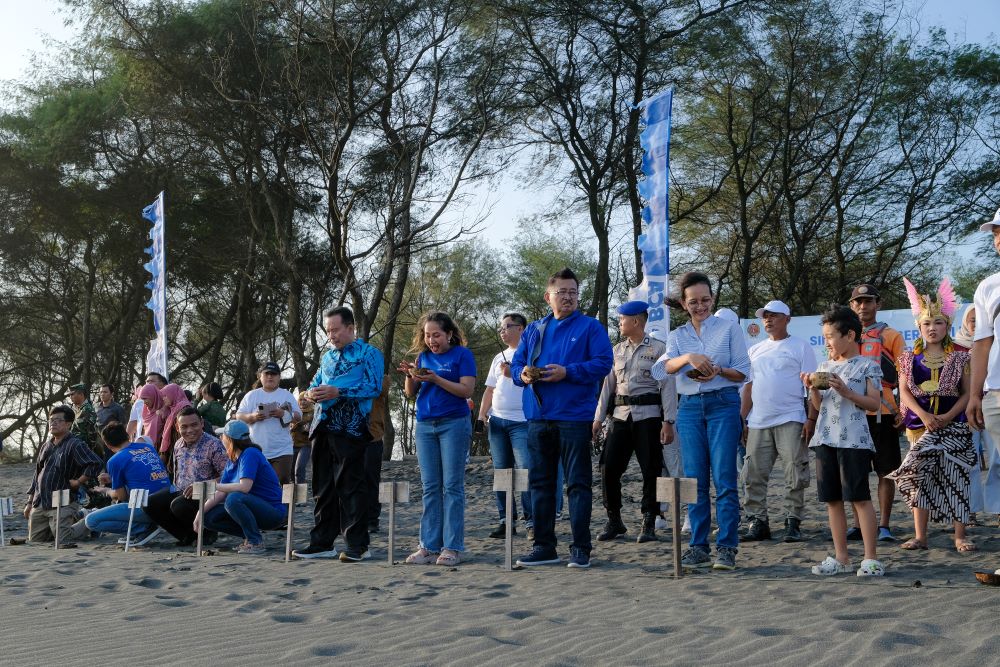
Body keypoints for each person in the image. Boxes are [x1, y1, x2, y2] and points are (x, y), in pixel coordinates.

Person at [511, 268, 613, 569]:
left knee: (577, 484)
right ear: (548, 296)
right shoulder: (533, 330)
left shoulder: (590, 328)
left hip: (574, 418)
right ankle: (544, 546)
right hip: (538, 418)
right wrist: (524, 374)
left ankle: (581, 548)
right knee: (540, 484)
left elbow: (603, 363)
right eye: (562, 292)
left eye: (573, 292)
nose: (568, 297)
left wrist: (568, 372)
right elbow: (517, 367)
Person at [652, 271, 750, 571]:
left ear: (713, 299)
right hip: (690, 408)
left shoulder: (729, 329)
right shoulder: (677, 336)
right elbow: (660, 370)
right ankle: (698, 546)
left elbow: (744, 372)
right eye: (693, 301)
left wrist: (717, 370)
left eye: (705, 299)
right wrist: (689, 358)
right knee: (693, 480)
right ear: (684, 303)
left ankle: (726, 548)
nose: (700, 306)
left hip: (723, 403)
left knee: (724, 479)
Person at [886, 278, 977, 552]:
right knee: (919, 478)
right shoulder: (907, 358)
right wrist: (925, 416)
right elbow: (904, 392)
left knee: (958, 478)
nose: (932, 328)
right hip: (919, 426)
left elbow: (966, 393)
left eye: (937, 323)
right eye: (927, 323)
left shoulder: (960, 358)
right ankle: (920, 536)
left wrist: (948, 416)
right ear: (919, 326)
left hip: (954, 426)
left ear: (947, 326)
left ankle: (959, 535)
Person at [293, 307, 384, 563]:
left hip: (352, 427)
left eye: (335, 329)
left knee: (351, 485)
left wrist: (338, 392)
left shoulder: (370, 353)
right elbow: (314, 383)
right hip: (321, 426)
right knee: (322, 486)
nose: (331, 335)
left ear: (350, 328)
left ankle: (358, 545)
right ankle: (322, 542)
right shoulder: (327, 357)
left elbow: (374, 387)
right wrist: (310, 394)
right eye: (328, 331)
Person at [803, 305, 885, 577]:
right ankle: (841, 557)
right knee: (832, 500)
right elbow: (817, 406)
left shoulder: (868, 365)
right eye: (825, 336)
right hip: (825, 438)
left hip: (855, 440)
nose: (826, 341)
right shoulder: (824, 366)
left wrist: (848, 392)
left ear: (850, 335)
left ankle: (871, 558)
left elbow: (874, 404)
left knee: (859, 498)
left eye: (830, 336)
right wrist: (812, 389)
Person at [594, 301, 676, 544]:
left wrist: (669, 420)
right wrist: (598, 418)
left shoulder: (660, 349)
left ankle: (649, 519)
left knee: (651, 469)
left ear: (636, 321)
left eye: (622, 319)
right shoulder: (616, 350)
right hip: (620, 417)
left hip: (649, 417)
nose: (619, 323)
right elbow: (608, 386)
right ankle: (614, 519)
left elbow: (668, 387)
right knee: (608, 467)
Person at [398, 311, 476, 567]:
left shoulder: (462, 355)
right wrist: (411, 375)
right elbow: (411, 394)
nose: (432, 340)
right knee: (430, 486)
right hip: (425, 425)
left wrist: (436, 378)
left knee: (452, 486)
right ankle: (428, 546)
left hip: (453, 423)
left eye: (436, 335)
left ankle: (452, 546)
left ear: (449, 334)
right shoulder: (424, 357)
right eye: (427, 335)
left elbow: (466, 390)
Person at [739, 300, 817, 543]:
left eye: (774, 316)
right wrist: (742, 419)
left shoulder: (801, 347)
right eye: (765, 316)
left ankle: (792, 522)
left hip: (791, 418)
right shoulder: (754, 350)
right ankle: (757, 521)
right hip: (758, 421)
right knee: (752, 473)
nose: (768, 320)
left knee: (794, 472)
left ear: (787, 319)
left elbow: (812, 386)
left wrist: (810, 418)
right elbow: (748, 388)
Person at [848, 283, 904, 542]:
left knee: (886, 471)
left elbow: (905, 375)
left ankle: (883, 525)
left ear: (878, 304)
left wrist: (903, 409)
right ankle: (859, 525)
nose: (863, 306)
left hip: (884, 413)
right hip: (852, 414)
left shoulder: (891, 335)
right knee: (854, 472)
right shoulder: (844, 335)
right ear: (851, 305)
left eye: (868, 301)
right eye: (858, 302)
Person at [478, 312, 532, 540]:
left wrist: (515, 372)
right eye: (500, 328)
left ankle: (532, 522)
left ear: (521, 328)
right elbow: (490, 389)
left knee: (524, 471)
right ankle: (506, 520)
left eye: (507, 326)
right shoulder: (497, 358)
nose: (502, 331)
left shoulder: (531, 353)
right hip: (497, 422)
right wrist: (481, 416)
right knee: (501, 472)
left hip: (522, 422)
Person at [197, 420, 286, 555]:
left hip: (272, 512)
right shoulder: (232, 460)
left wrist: (214, 485)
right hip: (254, 508)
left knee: (234, 498)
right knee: (209, 517)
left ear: (230, 440)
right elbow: (220, 493)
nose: (220, 438)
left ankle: (255, 542)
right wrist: (200, 514)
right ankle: (250, 536)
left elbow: (245, 487)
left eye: (223, 436)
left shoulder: (250, 453)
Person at [145, 406, 229, 546]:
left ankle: (208, 533)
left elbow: (228, 477)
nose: (189, 430)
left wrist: (202, 485)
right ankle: (186, 536)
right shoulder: (178, 444)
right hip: (181, 490)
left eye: (194, 424)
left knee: (178, 505)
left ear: (202, 423)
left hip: (207, 493)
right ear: (177, 428)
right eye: (184, 426)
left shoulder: (214, 445)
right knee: (149, 502)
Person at [24, 406, 103, 544]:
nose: (53, 423)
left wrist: (79, 481)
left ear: (68, 424)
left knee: (63, 540)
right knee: (36, 542)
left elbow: (95, 463)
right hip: (41, 501)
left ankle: (89, 519)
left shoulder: (75, 444)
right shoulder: (45, 446)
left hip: (62, 500)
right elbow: (37, 474)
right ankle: (74, 518)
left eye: (58, 420)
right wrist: (30, 502)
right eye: (51, 420)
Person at [81, 423, 170, 545]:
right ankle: (141, 528)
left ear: (107, 444)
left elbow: (120, 496)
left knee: (91, 521)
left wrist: (105, 491)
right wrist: (113, 479)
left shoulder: (115, 460)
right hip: (167, 502)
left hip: (146, 507)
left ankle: (141, 529)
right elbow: (143, 475)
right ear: (127, 436)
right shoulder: (148, 448)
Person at [968, 207, 1000, 518]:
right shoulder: (989, 285)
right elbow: (982, 343)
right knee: (999, 471)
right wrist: (975, 395)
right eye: (996, 233)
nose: (998, 240)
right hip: (996, 394)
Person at [236, 362, 302, 484]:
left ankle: (282, 504)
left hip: (282, 450)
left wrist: (283, 414)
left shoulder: (286, 394)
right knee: (258, 485)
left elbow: (299, 417)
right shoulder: (251, 395)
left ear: (279, 377)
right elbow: (239, 415)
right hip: (256, 449)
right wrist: (252, 416)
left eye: (274, 374)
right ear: (260, 376)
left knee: (281, 484)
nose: (270, 377)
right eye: (267, 374)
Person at [366, 375, 391, 532]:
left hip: (372, 436)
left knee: (371, 479)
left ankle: (371, 519)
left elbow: (379, 390)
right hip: (348, 436)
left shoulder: (381, 377)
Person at [158, 383, 193, 462]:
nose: (163, 399)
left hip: (184, 451)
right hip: (176, 448)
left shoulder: (184, 408)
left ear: (173, 394)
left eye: (165, 396)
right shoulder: (174, 409)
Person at [68, 383, 100, 458]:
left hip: (85, 450)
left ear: (81, 394)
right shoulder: (77, 409)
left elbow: (92, 433)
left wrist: (89, 451)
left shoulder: (87, 410)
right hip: (77, 448)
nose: (70, 397)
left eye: (72, 394)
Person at [291, 392, 315, 486]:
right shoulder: (294, 412)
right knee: (291, 471)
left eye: (305, 399)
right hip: (292, 444)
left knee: (299, 468)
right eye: (301, 399)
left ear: (309, 400)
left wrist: (299, 425)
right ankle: (291, 496)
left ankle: (300, 497)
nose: (303, 402)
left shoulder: (313, 413)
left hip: (306, 445)